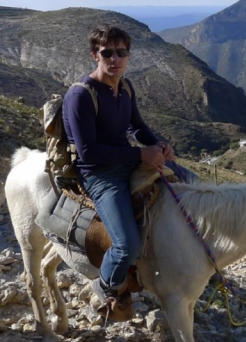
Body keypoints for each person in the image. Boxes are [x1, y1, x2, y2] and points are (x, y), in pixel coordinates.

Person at [62, 24, 174, 311]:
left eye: (121, 52)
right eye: (107, 53)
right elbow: (89, 152)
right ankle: (105, 284)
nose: (115, 58)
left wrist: (159, 145)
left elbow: (137, 127)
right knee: (127, 246)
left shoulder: (124, 86)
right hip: (99, 173)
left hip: (127, 160)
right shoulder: (81, 95)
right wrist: (140, 154)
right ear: (94, 55)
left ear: (128, 55)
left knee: (188, 184)